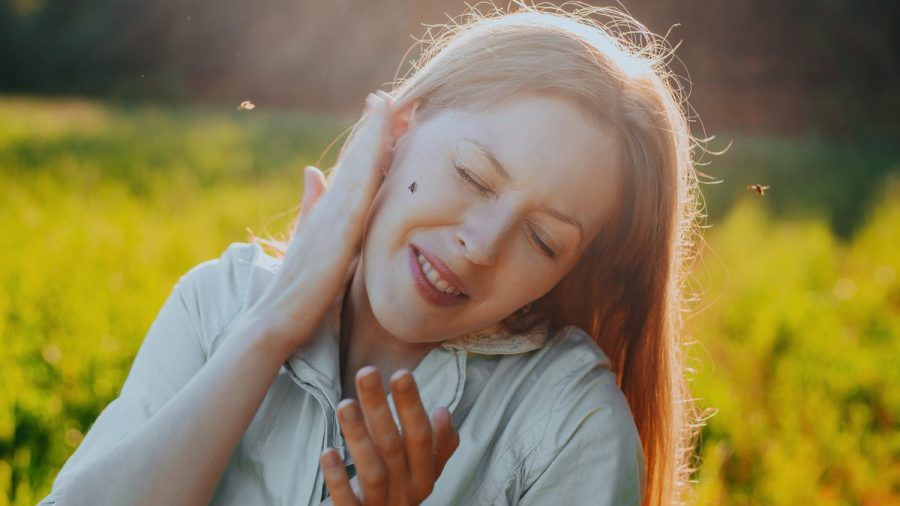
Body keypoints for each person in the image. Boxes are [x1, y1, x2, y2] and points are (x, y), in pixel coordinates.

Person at [39, 2, 707, 505]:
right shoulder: (219, 302)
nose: (479, 245)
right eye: (473, 175)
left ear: (571, 269)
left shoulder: (567, 425)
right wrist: (270, 327)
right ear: (398, 129)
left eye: (542, 240)